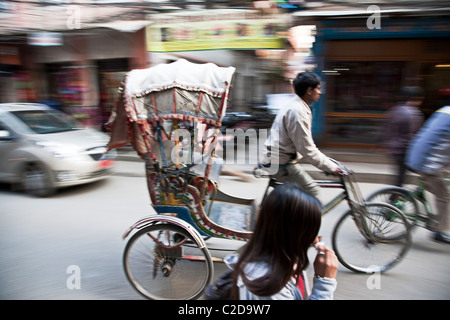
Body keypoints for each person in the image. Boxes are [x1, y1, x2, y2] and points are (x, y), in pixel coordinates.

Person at [224, 183, 338, 300]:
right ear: (296, 234)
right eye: (312, 231)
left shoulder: (288, 262)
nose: (316, 239)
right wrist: (324, 283)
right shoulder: (268, 287)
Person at [262, 72, 343, 198]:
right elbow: (307, 150)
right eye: (318, 88)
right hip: (280, 164)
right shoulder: (298, 112)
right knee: (313, 193)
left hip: (280, 159)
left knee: (300, 197)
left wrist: (329, 164)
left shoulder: (297, 105)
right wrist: (332, 167)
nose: (320, 92)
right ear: (309, 91)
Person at [405, 106, 450, 244]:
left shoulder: (445, 110)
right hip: (429, 163)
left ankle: (419, 193)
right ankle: (439, 230)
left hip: (415, 155)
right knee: (445, 196)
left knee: (441, 179)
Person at [382, 86, 424, 186]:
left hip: (393, 148)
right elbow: (413, 134)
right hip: (404, 149)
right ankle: (395, 196)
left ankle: (395, 195)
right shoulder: (414, 113)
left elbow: (387, 129)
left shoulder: (395, 110)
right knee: (402, 177)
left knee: (400, 176)